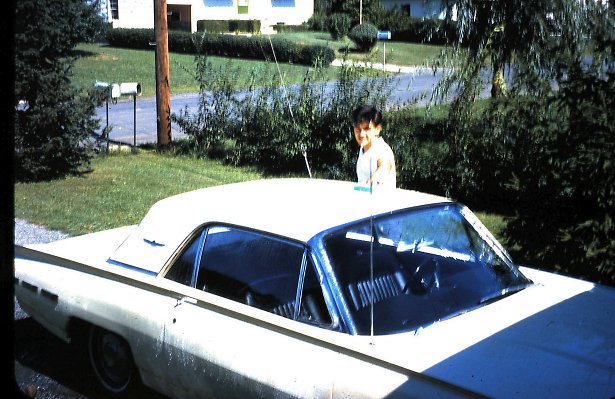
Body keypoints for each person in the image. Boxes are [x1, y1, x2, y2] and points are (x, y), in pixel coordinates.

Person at [352, 105, 396, 188]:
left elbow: (385, 165)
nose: (361, 134)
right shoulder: (363, 149)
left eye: (366, 129)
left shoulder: (382, 149)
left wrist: (376, 177)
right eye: (358, 129)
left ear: (377, 129)